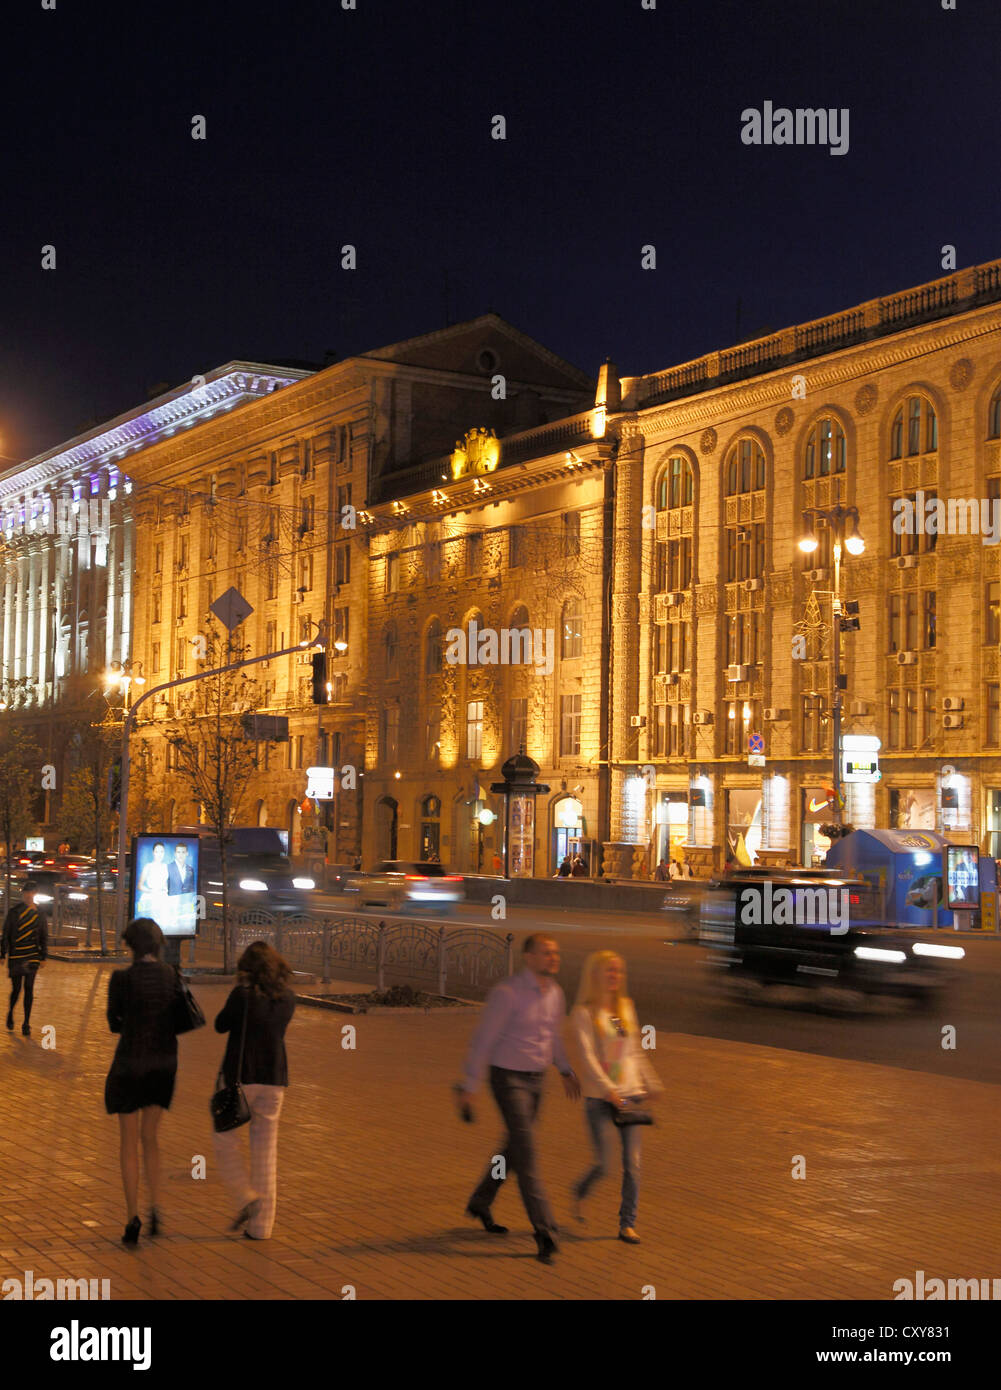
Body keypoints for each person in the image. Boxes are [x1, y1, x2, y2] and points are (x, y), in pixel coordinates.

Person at [458, 934, 581, 1263]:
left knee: (513, 1150)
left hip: (537, 1080)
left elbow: (552, 1035)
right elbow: (483, 1040)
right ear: (528, 957)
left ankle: (481, 1200)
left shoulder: (555, 993)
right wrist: (469, 1086)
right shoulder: (507, 993)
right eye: (546, 952)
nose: (553, 957)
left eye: (556, 952)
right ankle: (545, 1232)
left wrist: (565, 1069)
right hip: (507, 1078)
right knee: (528, 1155)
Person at [570, 951, 663, 1244]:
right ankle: (580, 1190)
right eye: (609, 971)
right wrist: (607, 1089)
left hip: (630, 1097)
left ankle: (627, 1224)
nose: (614, 977)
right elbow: (587, 1057)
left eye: (619, 972)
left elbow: (633, 1051)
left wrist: (650, 1082)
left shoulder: (625, 1007)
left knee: (633, 1165)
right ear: (594, 975)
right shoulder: (585, 1012)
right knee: (604, 1164)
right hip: (600, 1099)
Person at [104, 917, 185, 1245]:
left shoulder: (121, 979)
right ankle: (156, 1208)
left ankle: (132, 1217)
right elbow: (179, 1018)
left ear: (132, 946)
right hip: (164, 1064)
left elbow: (114, 1023)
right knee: (151, 1138)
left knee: (129, 1142)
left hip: (130, 1065)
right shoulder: (172, 976)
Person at [213, 941, 296, 1241]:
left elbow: (220, 1025)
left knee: (224, 1140)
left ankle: (244, 1195)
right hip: (274, 1079)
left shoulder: (243, 995)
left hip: (241, 1077)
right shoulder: (288, 998)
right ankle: (261, 1228)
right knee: (265, 1153)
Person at [2, 882, 47, 1036]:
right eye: (26, 892)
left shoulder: (40, 913)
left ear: (35, 893)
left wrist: (43, 956)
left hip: (32, 955)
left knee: (29, 988)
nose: (29, 895)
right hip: (16, 955)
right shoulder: (15, 912)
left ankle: (26, 1022)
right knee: (16, 989)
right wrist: (2, 953)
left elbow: (44, 936)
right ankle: (10, 1012)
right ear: (23, 894)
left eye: (32, 892)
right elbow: (6, 933)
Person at [136, 841, 169, 920]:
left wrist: (167, 890)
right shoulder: (148, 866)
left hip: (163, 898)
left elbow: (166, 884)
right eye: (157, 851)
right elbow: (139, 885)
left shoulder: (166, 867)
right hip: (149, 897)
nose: (159, 854)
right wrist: (151, 891)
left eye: (161, 851)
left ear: (164, 853)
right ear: (153, 853)